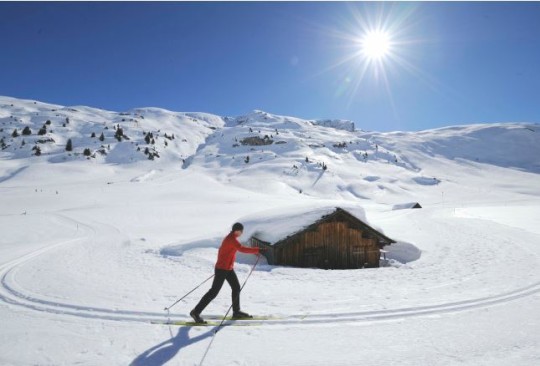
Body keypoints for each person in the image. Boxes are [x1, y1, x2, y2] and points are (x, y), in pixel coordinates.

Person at [190, 222, 263, 323]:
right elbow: (241, 249)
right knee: (214, 292)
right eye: (241, 231)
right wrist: (258, 250)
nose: (242, 233)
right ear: (237, 231)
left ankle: (236, 311)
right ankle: (196, 312)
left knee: (236, 287)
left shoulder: (231, 238)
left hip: (227, 268)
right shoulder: (231, 239)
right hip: (222, 269)